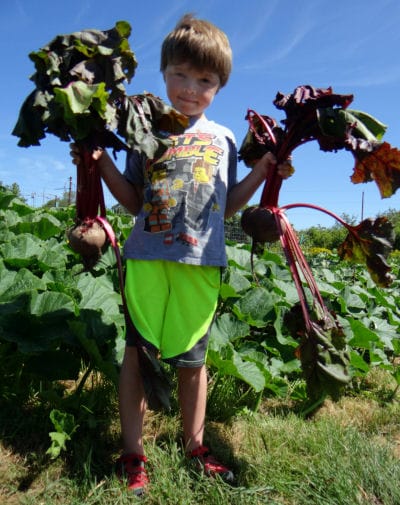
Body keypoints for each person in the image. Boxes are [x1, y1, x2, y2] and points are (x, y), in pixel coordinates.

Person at [71, 13, 292, 496]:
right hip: (146, 258)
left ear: (220, 85)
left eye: (205, 80)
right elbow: (131, 199)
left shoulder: (224, 139)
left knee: (193, 361)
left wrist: (263, 172)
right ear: (165, 71)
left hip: (201, 261)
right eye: (180, 75)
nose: (190, 88)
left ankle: (194, 445)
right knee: (136, 357)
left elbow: (228, 204)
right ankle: (134, 453)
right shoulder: (143, 129)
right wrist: (101, 159)